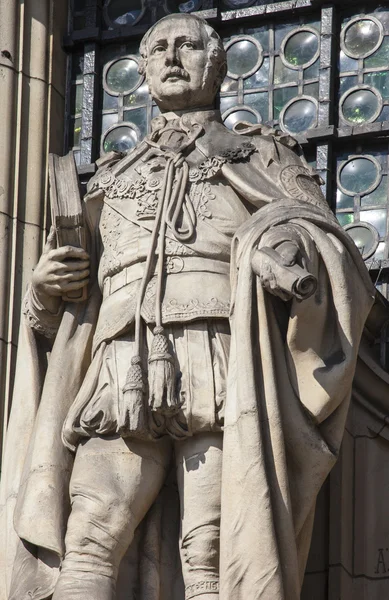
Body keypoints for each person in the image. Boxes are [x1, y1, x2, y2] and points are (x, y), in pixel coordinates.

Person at [0, 13, 374, 600]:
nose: (173, 58)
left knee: (213, 545)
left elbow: (321, 237)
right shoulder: (109, 178)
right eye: (159, 49)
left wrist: (281, 244)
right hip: (119, 358)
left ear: (216, 66)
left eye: (189, 46)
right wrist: (47, 290)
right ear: (143, 70)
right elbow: (65, 314)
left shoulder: (263, 154)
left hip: (220, 352)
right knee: (91, 532)